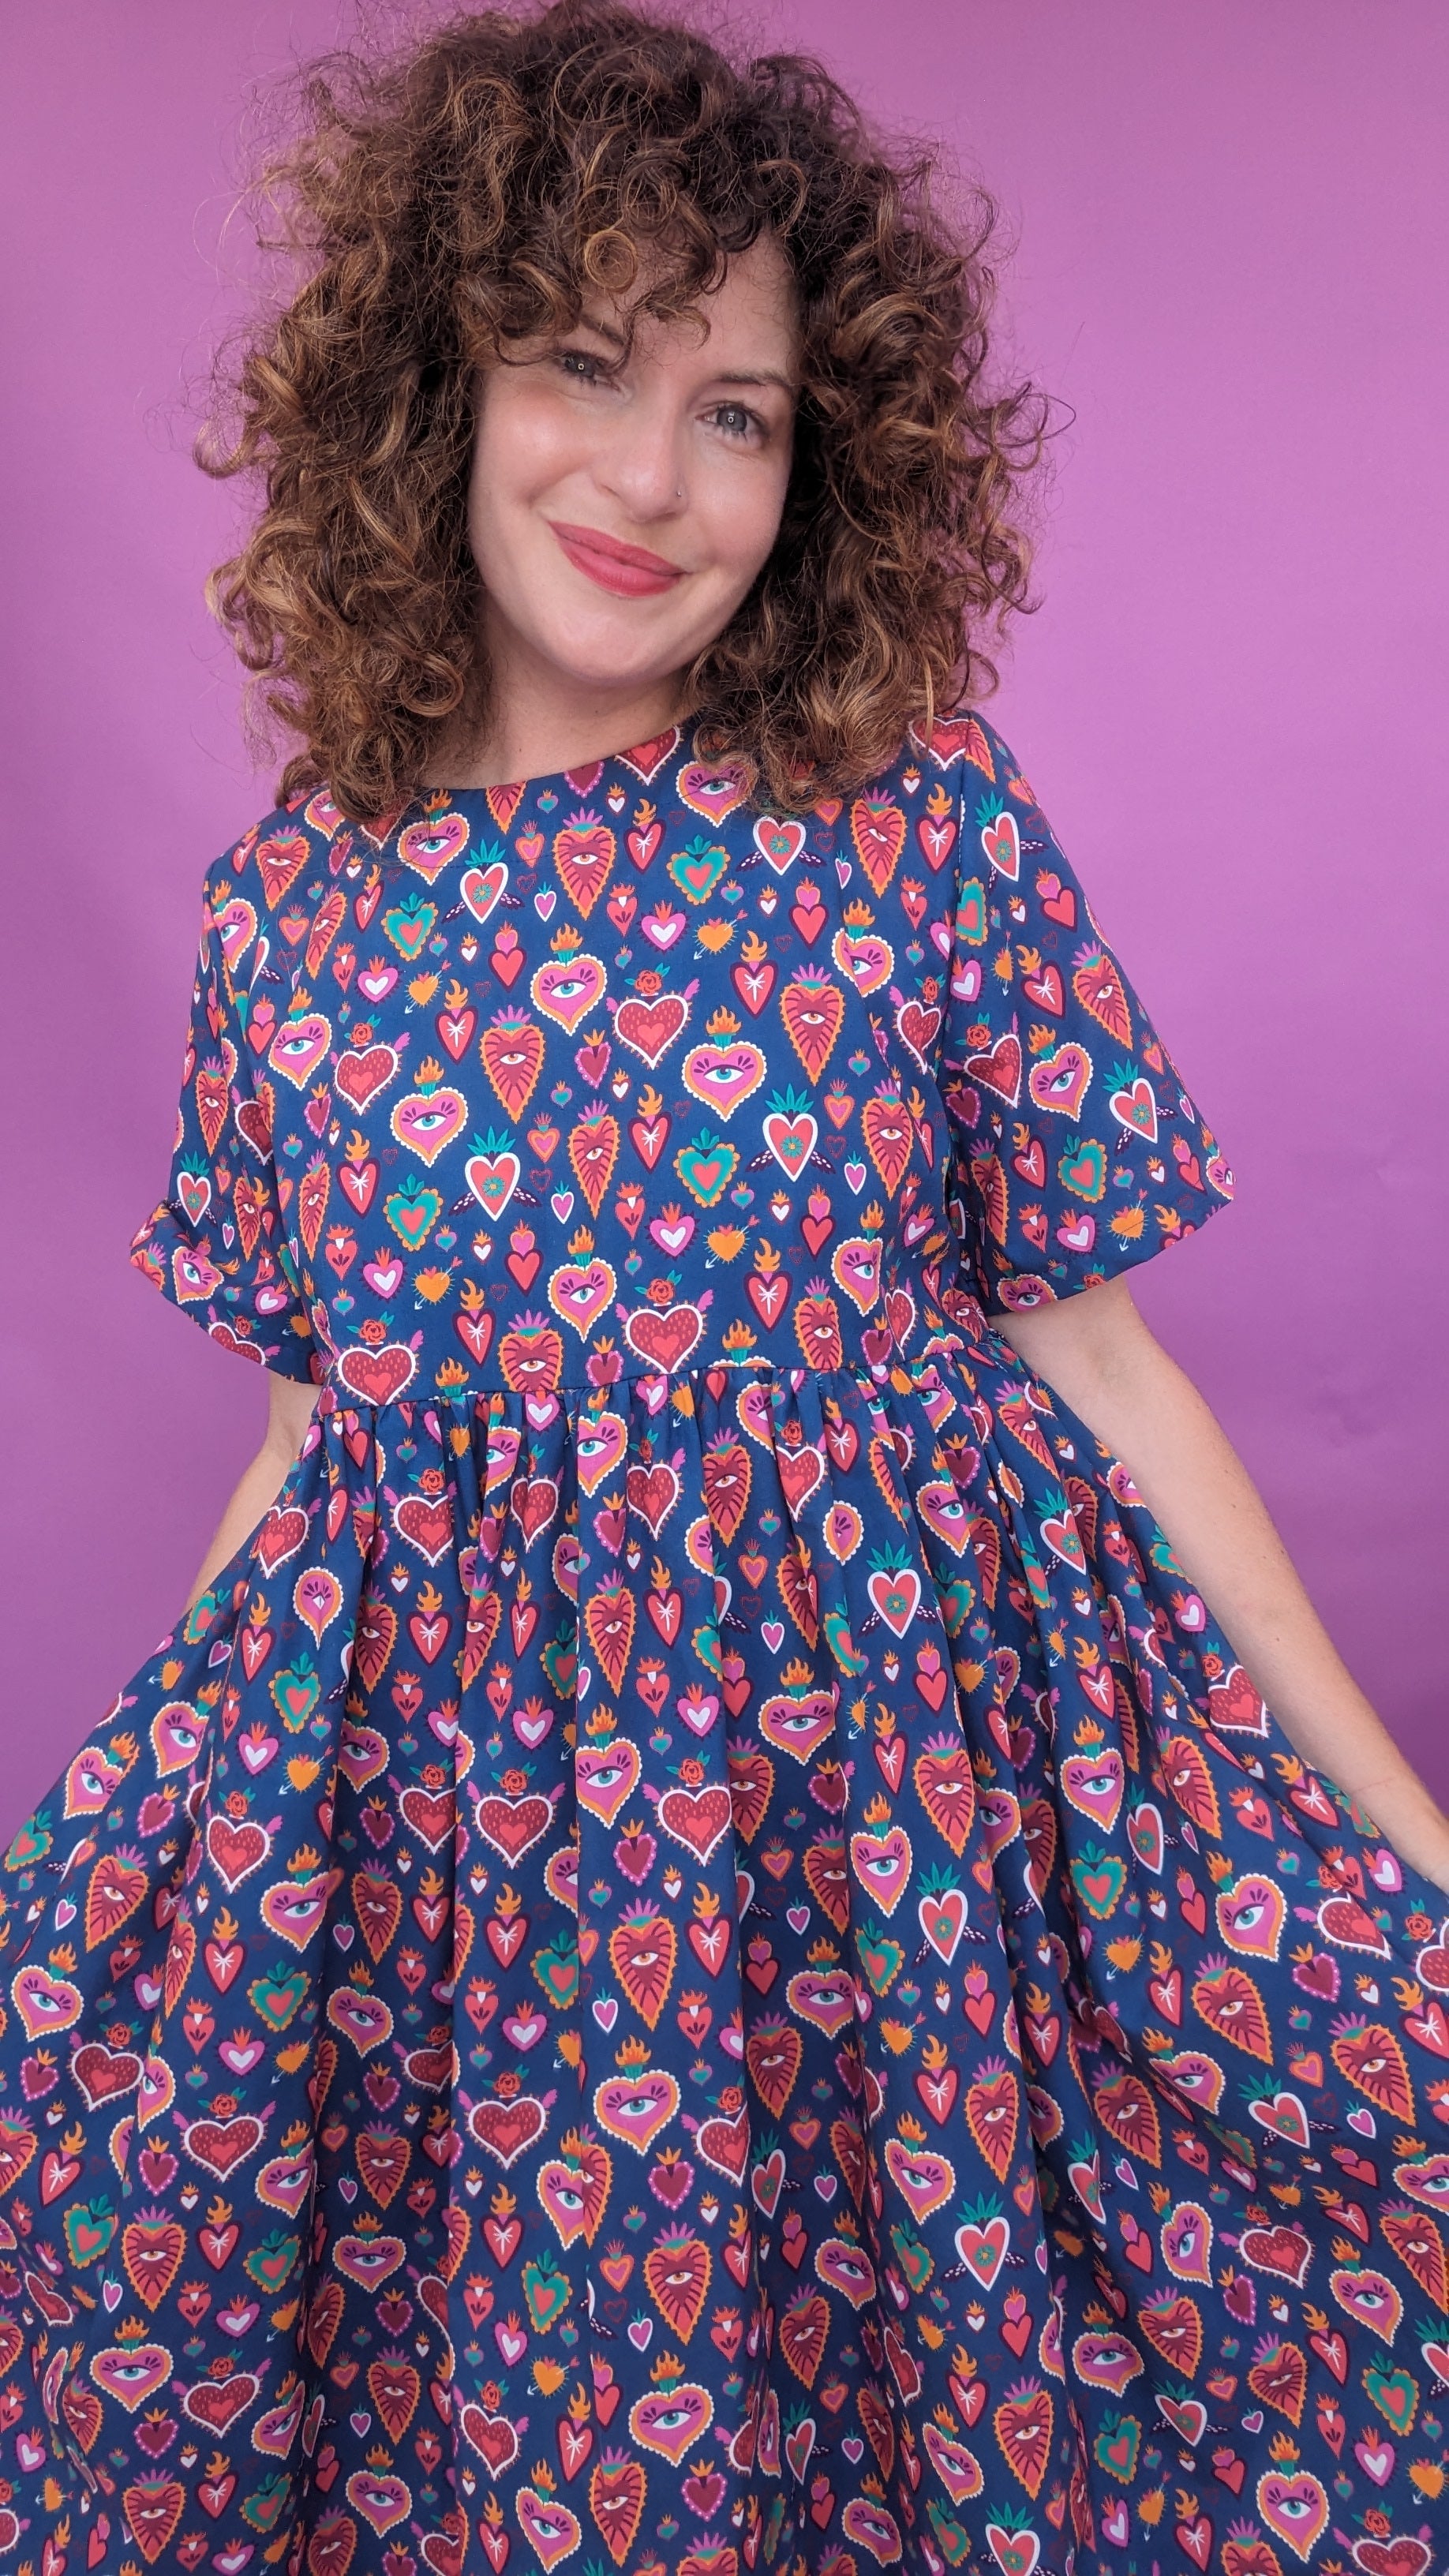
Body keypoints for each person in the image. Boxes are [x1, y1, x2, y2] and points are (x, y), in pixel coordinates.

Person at [8, 8, 1448, 2571]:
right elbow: (310, 1456)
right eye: (582, 361)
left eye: (740, 412)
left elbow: (1102, 1368)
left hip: (907, 1867)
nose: (652, 481)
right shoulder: (280, 924)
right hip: (483, 1920)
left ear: (825, 463)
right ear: (435, 383)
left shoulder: (909, 817)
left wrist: (1403, 1839)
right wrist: (134, 1869)